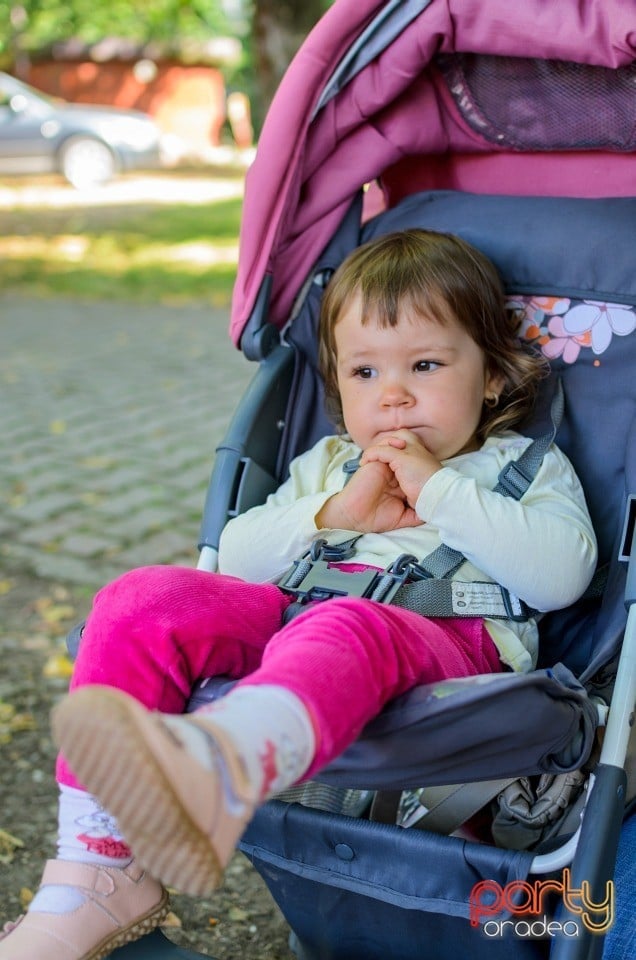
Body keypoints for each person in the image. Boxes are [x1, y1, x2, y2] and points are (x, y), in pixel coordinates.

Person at [0, 229, 598, 959]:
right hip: (295, 625)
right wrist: (334, 513)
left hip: (445, 646)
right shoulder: (330, 465)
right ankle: (99, 867)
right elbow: (239, 561)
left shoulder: (521, 466)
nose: (396, 395)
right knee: (140, 597)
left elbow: (562, 577)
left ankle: (231, 760)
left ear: (495, 377)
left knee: (347, 623)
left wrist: (440, 491)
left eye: (427, 365)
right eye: (366, 373)